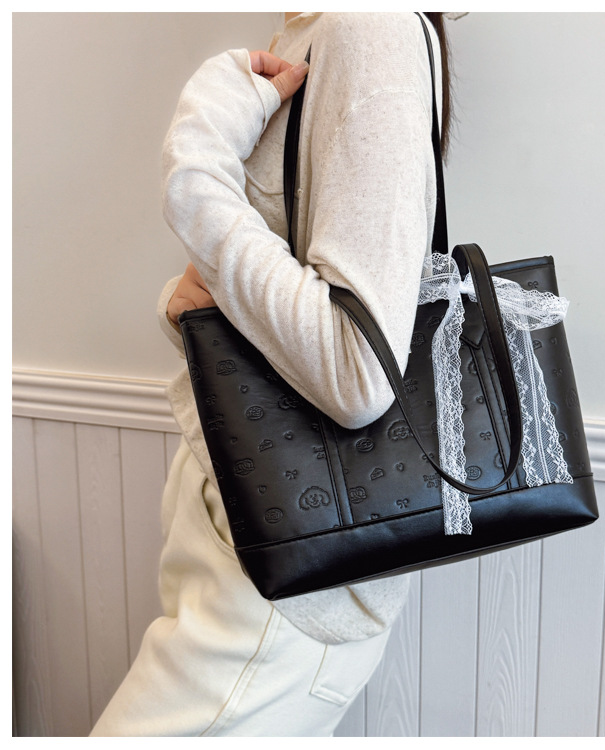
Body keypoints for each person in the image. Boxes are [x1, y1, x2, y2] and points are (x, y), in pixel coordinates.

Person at [91, 12, 452, 737]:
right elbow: (274, 307)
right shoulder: (316, 30)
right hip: (244, 546)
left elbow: (358, 372)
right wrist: (185, 306)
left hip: (279, 591)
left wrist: (196, 169)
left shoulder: (368, 30)